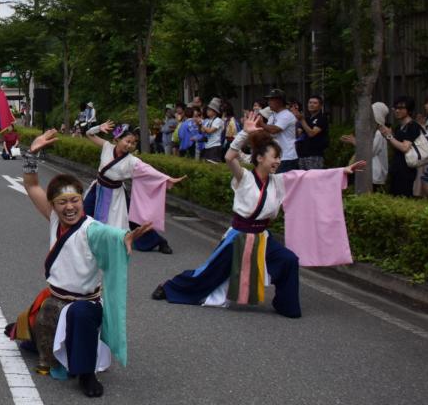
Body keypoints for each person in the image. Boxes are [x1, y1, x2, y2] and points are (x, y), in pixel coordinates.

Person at [153, 115, 366, 318]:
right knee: (209, 273)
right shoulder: (243, 177)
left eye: (279, 157)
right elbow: (229, 157)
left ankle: (286, 305)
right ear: (260, 158)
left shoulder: (280, 181)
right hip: (238, 236)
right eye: (275, 157)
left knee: (288, 260)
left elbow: (308, 177)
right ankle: (170, 287)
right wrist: (244, 134)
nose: (278, 161)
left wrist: (342, 171)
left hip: (262, 237)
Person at [4, 130, 155, 398]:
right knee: (27, 338)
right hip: (53, 299)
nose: (70, 207)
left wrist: (125, 238)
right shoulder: (53, 218)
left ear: (82, 201)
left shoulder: (92, 228)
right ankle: (33, 336)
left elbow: (110, 235)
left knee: (80, 317)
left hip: (85, 305)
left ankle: (86, 374)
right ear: (54, 205)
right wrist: (32, 154)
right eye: (62, 202)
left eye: (75, 200)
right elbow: (31, 185)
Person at [82, 121, 184, 254]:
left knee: (134, 221)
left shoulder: (132, 161)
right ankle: (78, 239)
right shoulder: (107, 146)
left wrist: (167, 179)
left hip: (116, 194)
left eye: (133, 143)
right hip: (98, 189)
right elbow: (89, 134)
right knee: (83, 213)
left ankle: (159, 241)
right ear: (118, 139)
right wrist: (99, 128)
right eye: (127, 141)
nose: (129, 145)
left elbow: (149, 170)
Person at [376, 95, 423, 197]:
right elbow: (396, 146)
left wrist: (388, 136)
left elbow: (405, 148)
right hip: (396, 168)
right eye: (396, 108)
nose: (397, 110)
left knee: (404, 199)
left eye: (401, 108)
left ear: (409, 110)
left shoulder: (413, 126)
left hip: (406, 170)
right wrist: (389, 135)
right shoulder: (399, 127)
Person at [340, 102, 389, 190]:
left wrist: (354, 141)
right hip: (368, 173)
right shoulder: (372, 132)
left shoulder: (379, 133)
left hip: (373, 174)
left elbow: (370, 151)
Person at [263, 88, 298, 172]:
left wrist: (261, 124)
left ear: (280, 101)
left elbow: (274, 130)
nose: (269, 102)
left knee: (285, 184)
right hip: (277, 156)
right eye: (268, 99)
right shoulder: (273, 115)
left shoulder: (287, 115)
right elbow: (267, 131)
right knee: (276, 183)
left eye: (271, 99)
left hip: (287, 157)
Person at [293, 95, 330, 170]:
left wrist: (302, 120)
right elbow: (299, 134)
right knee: (303, 180)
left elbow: (312, 133)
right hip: (302, 154)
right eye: (310, 102)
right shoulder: (307, 118)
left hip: (314, 155)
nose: (311, 105)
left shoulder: (322, 118)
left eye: (315, 103)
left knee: (313, 179)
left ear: (320, 106)